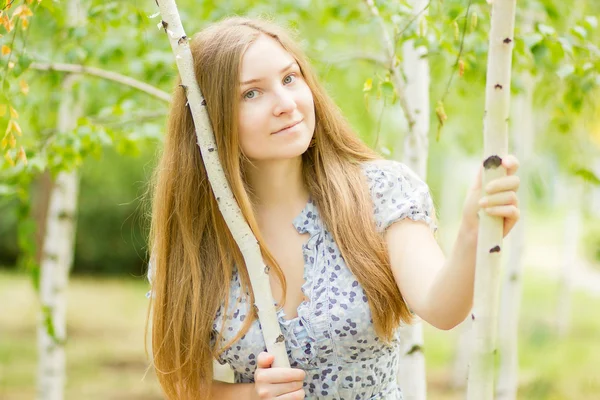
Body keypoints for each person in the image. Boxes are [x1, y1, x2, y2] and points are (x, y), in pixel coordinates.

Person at [145, 16, 520, 400]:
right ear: (207, 120)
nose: (286, 104)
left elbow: (441, 307)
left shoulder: (380, 191)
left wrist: (473, 235)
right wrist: (251, 396)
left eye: (290, 78)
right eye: (251, 94)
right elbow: (181, 381)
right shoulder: (195, 236)